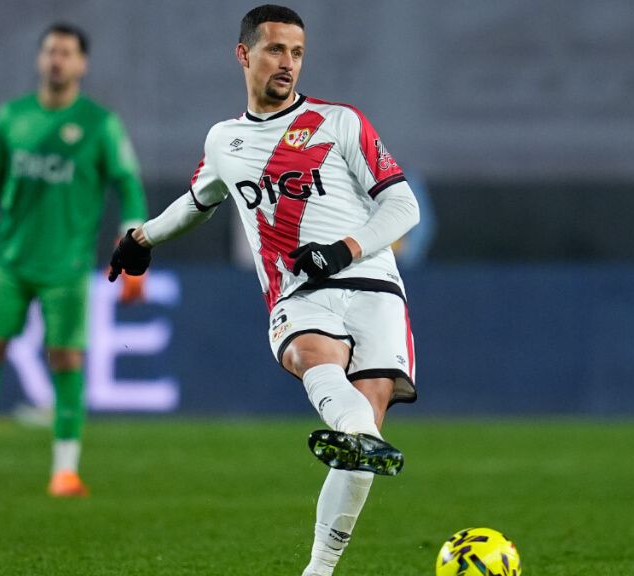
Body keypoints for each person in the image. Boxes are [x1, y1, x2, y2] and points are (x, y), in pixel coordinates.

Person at [108, 5, 420, 574]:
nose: (288, 64)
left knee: (361, 435)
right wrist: (142, 237)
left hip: (373, 282)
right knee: (312, 360)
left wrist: (344, 249)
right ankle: (352, 435)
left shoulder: (341, 122)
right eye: (276, 49)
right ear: (243, 53)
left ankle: (318, 567)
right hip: (299, 292)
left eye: (297, 53)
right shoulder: (225, 140)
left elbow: (403, 205)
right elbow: (199, 202)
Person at [0, 23, 149, 498]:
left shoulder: (100, 124)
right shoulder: (12, 117)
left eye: (66, 53)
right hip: (10, 260)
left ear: (81, 64)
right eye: (51, 51)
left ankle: (65, 471)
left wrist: (135, 242)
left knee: (66, 358)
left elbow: (127, 182)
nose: (57, 59)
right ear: (40, 59)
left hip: (67, 267)